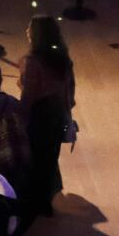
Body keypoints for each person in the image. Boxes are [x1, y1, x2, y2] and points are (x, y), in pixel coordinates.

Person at [18, 13, 77, 216]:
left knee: (33, 158)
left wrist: (19, 119)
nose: (26, 31)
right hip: (57, 115)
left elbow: (28, 96)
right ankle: (46, 202)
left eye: (29, 28)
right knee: (50, 157)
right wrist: (67, 112)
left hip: (38, 116)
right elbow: (69, 89)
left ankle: (33, 203)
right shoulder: (63, 59)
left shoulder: (32, 62)